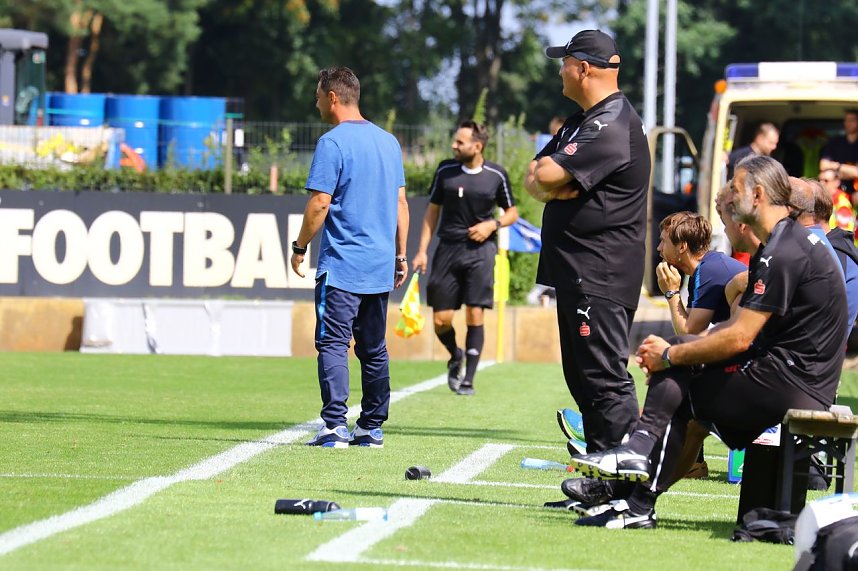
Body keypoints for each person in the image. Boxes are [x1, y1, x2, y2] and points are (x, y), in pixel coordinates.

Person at [568, 154, 847, 529]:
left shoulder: (785, 249)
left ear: (758, 195)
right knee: (683, 364)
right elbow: (743, 333)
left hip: (795, 384)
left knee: (680, 373)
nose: (727, 198)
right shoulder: (779, 243)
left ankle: (637, 485)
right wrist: (681, 351)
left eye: (734, 189)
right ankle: (636, 494)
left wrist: (670, 353)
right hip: (791, 376)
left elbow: (740, 335)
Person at [524, 29, 650, 508]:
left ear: (584, 68)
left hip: (600, 272)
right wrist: (556, 183)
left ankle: (629, 491)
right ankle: (604, 478)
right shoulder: (583, 121)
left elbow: (550, 175)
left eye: (564, 62)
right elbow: (536, 175)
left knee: (603, 378)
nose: (559, 70)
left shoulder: (611, 122)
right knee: (584, 378)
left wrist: (557, 180)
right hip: (579, 271)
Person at [291, 66, 409, 448]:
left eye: (317, 95)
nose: (316, 102)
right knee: (373, 347)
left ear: (333, 97)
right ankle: (372, 427)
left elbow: (319, 203)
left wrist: (299, 246)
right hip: (378, 265)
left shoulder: (332, 142)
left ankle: (334, 425)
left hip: (342, 265)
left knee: (332, 342)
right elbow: (401, 203)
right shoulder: (389, 142)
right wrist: (401, 255)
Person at [412, 120, 518, 396]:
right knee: (441, 320)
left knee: (474, 312)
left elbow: (512, 212)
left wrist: (492, 225)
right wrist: (422, 251)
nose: (454, 146)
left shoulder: (496, 174)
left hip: (480, 252)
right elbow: (431, 212)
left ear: (477, 146)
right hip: (447, 249)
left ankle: (469, 379)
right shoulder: (445, 171)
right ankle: (455, 354)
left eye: (460, 142)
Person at [655, 211, 747, 479]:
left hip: (758, 365)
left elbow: (688, 332)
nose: (660, 248)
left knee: (679, 372)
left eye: (663, 241)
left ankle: (684, 461)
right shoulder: (706, 268)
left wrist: (671, 293)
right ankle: (690, 460)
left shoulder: (708, 270)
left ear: (682, 246)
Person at [820, 109, 858, 197]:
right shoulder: (835, 142)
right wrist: (849, 171)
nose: (847, 123)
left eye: (852, 120)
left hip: (854, 192)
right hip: (835, 190)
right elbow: (823, 165)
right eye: (846, 120)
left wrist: (837, 167)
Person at [818, 168, 855, 232]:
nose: (821, 183)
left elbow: (843, 233)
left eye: (826, 181)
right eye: (819, 180)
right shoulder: (823, 200)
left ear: (836, 182)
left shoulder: (842, 203)